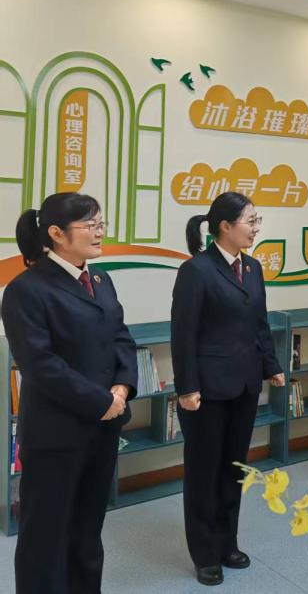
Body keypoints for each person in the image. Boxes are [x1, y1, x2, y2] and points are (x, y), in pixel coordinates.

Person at [1, 193, 137, 593]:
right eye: (89, 225)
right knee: (45, 536)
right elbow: (40, 365)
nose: (99, 232)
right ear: (56, 234)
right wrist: (102, 401)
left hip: (103, 427)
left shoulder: (101, 279)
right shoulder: (26, 289)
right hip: (56, 433)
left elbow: (121, 337)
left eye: (101, 223)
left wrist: (123, 386)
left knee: (87, 529)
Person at [171, 192, 285, 586]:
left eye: (257, 220)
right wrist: (187, 386)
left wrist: (271, 366)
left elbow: (259, 324)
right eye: (250, 221)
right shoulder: (196, 270)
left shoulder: (252, 268)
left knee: (234, 468)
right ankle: (204, 554)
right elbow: (183, 334)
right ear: (225, 226)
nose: (256, 228)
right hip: (206, 390)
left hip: (244, 384)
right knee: (204, 472)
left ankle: (226, 543)